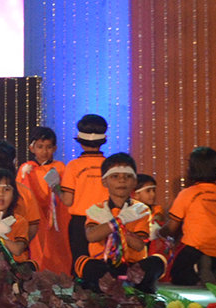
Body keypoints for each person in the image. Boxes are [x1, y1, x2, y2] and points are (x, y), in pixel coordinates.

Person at [76, 153, 162, 293]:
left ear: (134, 182)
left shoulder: (140, 210)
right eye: (115, 176)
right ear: (104, 182)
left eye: (127, 176)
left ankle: (127, 283)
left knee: (157, 261)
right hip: (104, 264)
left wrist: (116, 227)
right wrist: (119, 220)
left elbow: (139, 245)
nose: (122, 180)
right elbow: (91, 236)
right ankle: (112, 284)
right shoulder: (96, 209)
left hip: (133, 266)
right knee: (84, 263)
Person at [163, 146, 216, 287]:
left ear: (191, 169)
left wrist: (159, 232)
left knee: (177, 275)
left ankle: (200, 268)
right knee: (206, 257)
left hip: (197, 247)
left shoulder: (187, 194)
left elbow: (172, 227)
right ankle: (210, 266)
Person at [16, 126, 72, 276]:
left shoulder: (60, 167)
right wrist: (24, 176)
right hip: (35, 216)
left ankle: (60, 274)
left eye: (48, 147)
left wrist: (57, 185)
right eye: (40, 147)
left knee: (57, 245)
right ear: (32, 148)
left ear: (54, 148)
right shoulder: (27, 168)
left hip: (56, 216)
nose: (44, 151)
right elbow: (20, 193)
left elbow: (65, 193)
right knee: (37, 246)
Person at [62, 114, 109, 264]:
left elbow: (67, 200)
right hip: (106, 220)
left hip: (80, 222)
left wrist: (55, 187)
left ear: (80, 141)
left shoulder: (73, 166)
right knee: (105, 261)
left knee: (81, 263)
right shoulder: (110, 165)